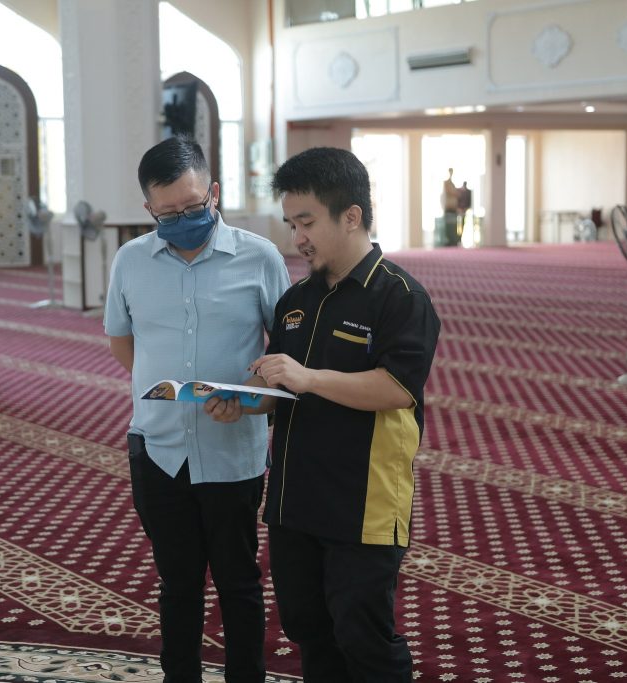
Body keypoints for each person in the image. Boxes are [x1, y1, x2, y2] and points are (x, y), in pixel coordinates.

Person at [213, 146, 441, 682]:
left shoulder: (400, 297)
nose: (298, 238)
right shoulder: (297, 299)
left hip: (364, 502)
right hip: (295, 500)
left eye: (307, 222)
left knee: (363, 635)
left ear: (352, 215)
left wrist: (308, 378)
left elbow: (395, 388)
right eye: (292, 224)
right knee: (308, 628)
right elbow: (278, 385)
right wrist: (242, 400)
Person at [104, 135, 291, 683]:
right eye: (168, 214)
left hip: (232, 451)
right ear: (149, 208)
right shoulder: (131, 261)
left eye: (192, 207)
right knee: (178, 582)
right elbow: (123, 343)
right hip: (158, 449)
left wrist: (249, 400)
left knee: (238, 581)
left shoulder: (259, 256)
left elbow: (284, 353)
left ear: (213, 193)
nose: (183, 220)